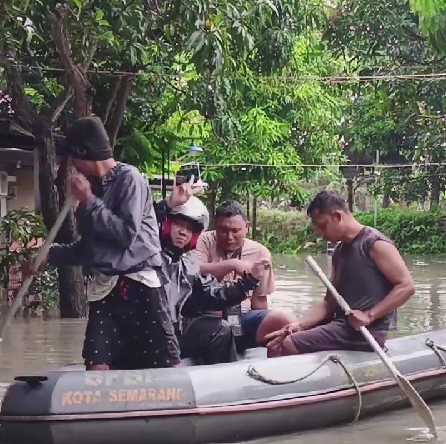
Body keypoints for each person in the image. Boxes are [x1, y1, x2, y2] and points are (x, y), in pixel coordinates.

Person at [28, 115, 195, 371]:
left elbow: (124, 235)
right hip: (106, 289)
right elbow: (92, 250)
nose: (71, 165)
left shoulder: (130, 179)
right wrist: (51, 255)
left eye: (73, 157)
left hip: (141, 283)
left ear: (84, 154)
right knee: (97, 365)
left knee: (168, 363)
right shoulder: (89, 191)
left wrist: (89, 200)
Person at [266, 190, 415, 357]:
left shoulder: (375, 244)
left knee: (287, 345)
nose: (321, 234)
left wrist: (369, 315)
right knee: (280, 341)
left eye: (323, 226)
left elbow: (406, 286)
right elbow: (328, 302)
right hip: (342, 325)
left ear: (337, 216)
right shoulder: (339, 251)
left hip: (364, 332)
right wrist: (300, 324)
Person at [158, 199, 266, 365]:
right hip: (150, 334)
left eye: (189, 229)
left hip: (178, 330)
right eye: (178, 225)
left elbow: (215, 295)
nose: (183, 233)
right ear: (165, 226)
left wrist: (249, 281)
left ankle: (226, 382)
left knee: (220, 329)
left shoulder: (187, 267)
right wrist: (169, 202)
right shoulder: (147, 259)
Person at [192, 200, 294, 350]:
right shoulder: (204, 240)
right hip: (207, 317)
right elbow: (191, 270)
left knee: (284, 319)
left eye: (235, 231)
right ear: (215, 227)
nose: (229, 237)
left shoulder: (261, 253)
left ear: (247, 227)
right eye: (223, 230)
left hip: (242, 316)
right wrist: (231, 264)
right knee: (221, 324)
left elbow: (259, 301)